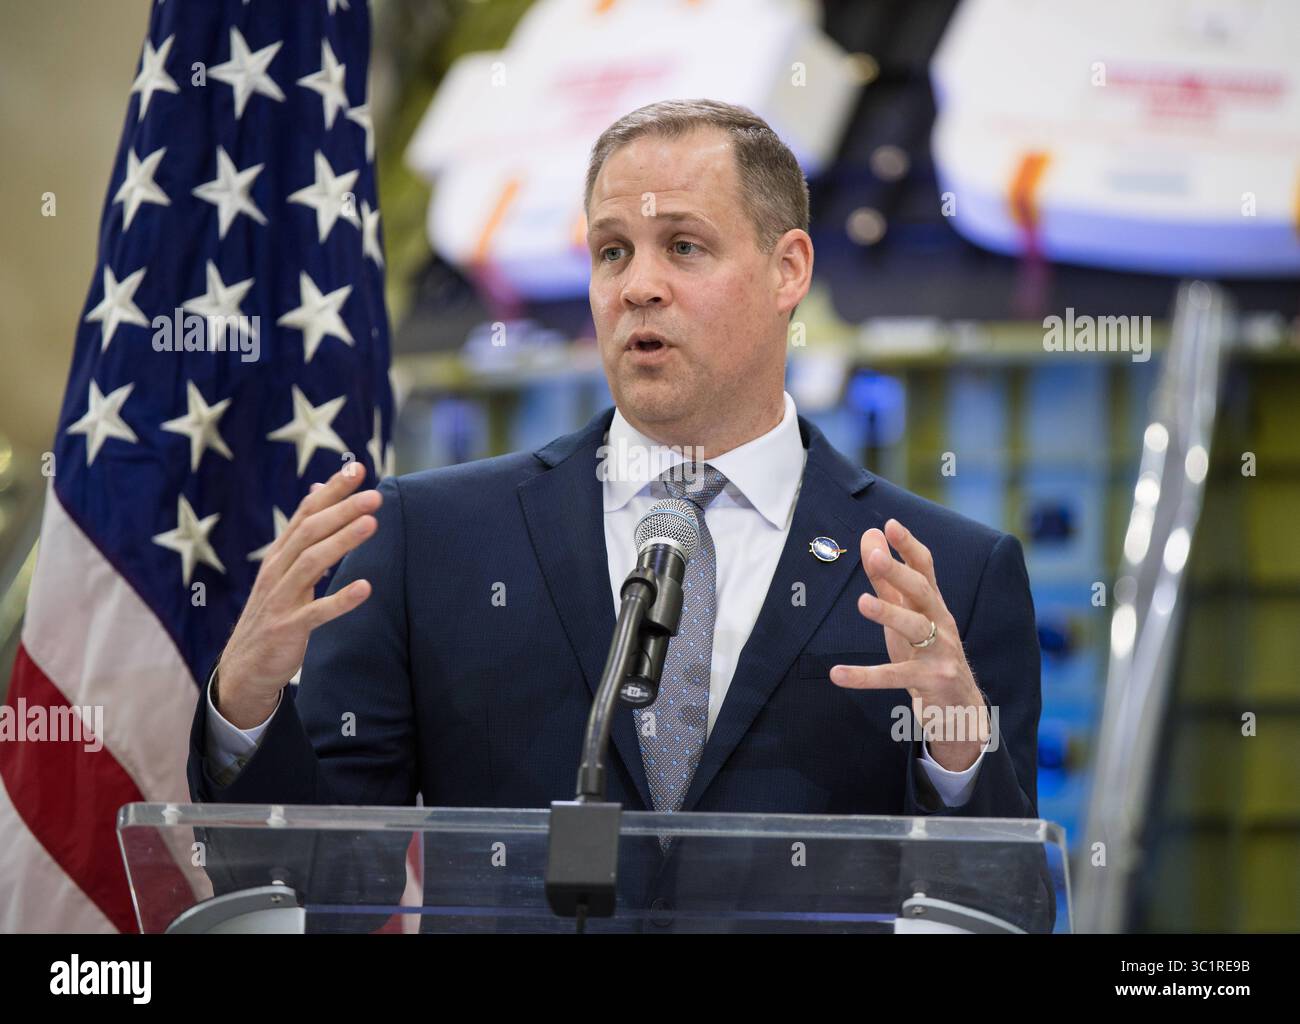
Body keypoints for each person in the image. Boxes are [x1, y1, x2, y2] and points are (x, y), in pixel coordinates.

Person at [187, 99, 1046, 929]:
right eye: (611, 251)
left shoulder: (945, 576)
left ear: (789, 269)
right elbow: (331, 890)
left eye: (682, 246)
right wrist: (247, 706)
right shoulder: (431, 542)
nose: (638, 287)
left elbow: (1001, 914)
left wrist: (959, 749)